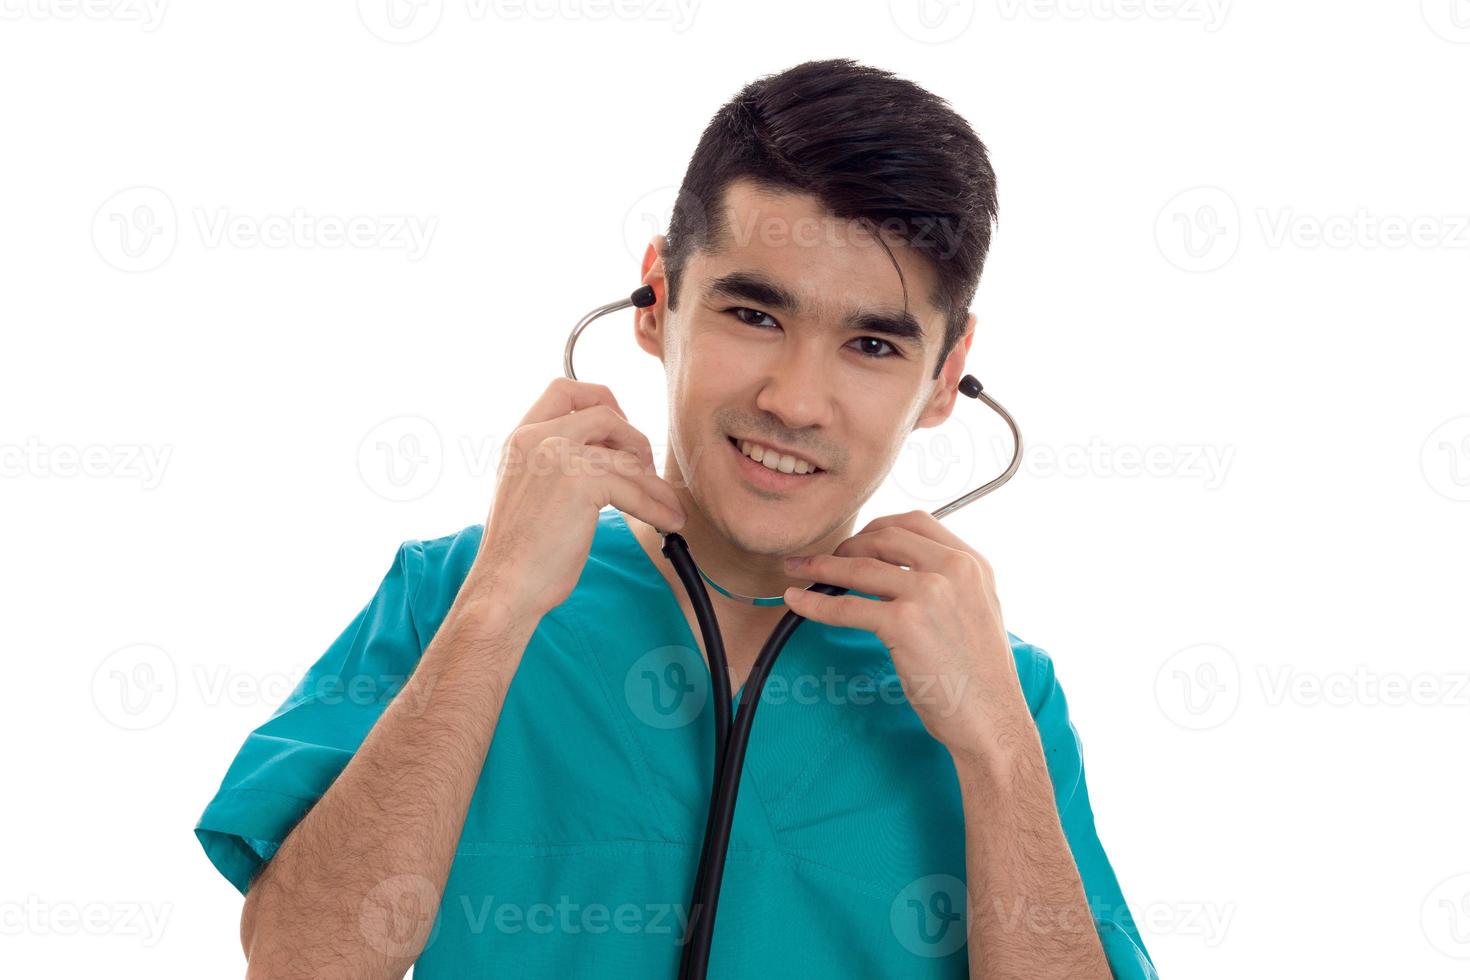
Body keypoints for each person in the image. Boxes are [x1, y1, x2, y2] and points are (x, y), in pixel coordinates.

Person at [195, 57, 1159, 979]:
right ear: (656, 300)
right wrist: (494, 612)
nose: (796, 400)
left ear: (946, 375)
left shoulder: (1004, 689)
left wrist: (996, 748)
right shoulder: (452, 595)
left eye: (871, 343)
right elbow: (296, 965)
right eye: (755, 315)